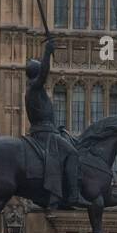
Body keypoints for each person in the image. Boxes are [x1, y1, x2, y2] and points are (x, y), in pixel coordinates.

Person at [25, 36, 89, 210]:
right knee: (73, 153)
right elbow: (44, 74)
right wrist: (47, 52)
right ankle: (74, 196)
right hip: (45, 135)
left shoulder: (34, 90)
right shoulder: (34, 88)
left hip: (49, 131)